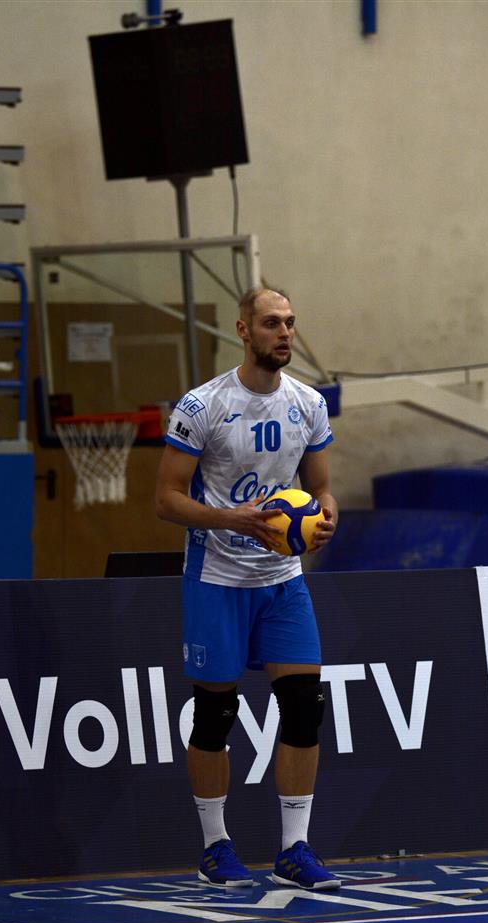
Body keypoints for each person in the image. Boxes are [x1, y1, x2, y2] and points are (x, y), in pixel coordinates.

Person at [155, 287, 341, 890]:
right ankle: (215, 848)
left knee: (305, 708)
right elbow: (166, 500)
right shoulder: (202, 406)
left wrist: (326, 518)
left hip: (282, 580)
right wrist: (231, 519)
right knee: (215, 715)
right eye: (270, 323)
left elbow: (321, 488)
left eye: (290, 322)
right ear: (243, 330)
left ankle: (294, 849)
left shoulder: (309, 403)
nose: (284, 333)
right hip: (218, 577)